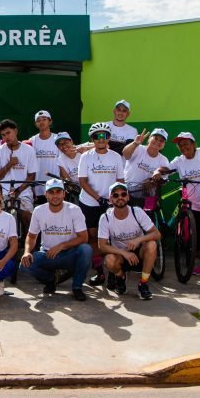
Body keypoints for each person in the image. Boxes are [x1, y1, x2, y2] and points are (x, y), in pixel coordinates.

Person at [156, 132, 200, 276]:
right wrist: (158, 172)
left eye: (186, 143)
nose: (183, 147)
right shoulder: (178, 161)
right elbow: (166, 169)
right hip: (195, 205)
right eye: (180, 145)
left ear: (193, 144)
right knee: (197, 235)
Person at [20, 178, 91, 301]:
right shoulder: (39, 211)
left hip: (69, 254)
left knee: (86, 250)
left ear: (64, 193)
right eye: (51, 192)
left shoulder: (74, 210)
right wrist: (26, 252)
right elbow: (31, 236)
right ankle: (51, 280)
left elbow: (84, 238)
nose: (55, 195)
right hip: (48, 254)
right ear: (46, 194)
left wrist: (62, 246)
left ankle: (77, 287)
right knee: (24, 264)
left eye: (58, 192)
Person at [78, 122, 125, 286]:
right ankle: (99, 273)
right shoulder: (85, 157)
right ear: (92, 139)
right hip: (89, 202)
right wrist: (98, 198)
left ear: (108, 138)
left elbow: (120, 180)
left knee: (110, 238)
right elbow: (83, 182)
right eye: (97, 136)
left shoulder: (116, 157)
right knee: (93, 236)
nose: (101, 139)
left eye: (104, 135)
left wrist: (114, 198)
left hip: (110, 202)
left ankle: (113, 271)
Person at [96, 182, 160, 300]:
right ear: (110, 199)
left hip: (139, 253)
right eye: (115, 195)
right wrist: (124, 253)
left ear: (128, 197)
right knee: (109, 260)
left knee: (151, 244)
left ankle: (143, 284)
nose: (120, 197)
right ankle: (120, 278)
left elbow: (156, 234)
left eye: (123, 194)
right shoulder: (105, 218)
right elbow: (102, 246)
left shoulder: (137, 212)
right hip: (120, 255)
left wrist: (139, 239)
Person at [0, 118, 36, 235]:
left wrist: (18, 191)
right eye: (3, 135)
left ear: (15, 131)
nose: (6, 137)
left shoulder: (29, 150)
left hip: (23, 192)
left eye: (8, 133)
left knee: (28, 218)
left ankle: (29, 248)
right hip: (3, 192)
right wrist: (9, 164)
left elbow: (32, 176)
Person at [122, 128, 170, 207]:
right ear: (149, 139)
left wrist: (153, 183)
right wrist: (135, 143)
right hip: (129, 190)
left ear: (164, 144)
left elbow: (163, 180)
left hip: (149, 194)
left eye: (161, 141)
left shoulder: (164, 160)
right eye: (156, 138)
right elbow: (125, 155)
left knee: (148, 218)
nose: (158, 142)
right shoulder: (138, 148)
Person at [27, 109, 59, 202]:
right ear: (36, 124)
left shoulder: (58, 139)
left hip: (55, 186)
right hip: (38, 188)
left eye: (44, 119)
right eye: (38, 120)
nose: (41, 122)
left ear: (50, 121)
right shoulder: (32, 141)